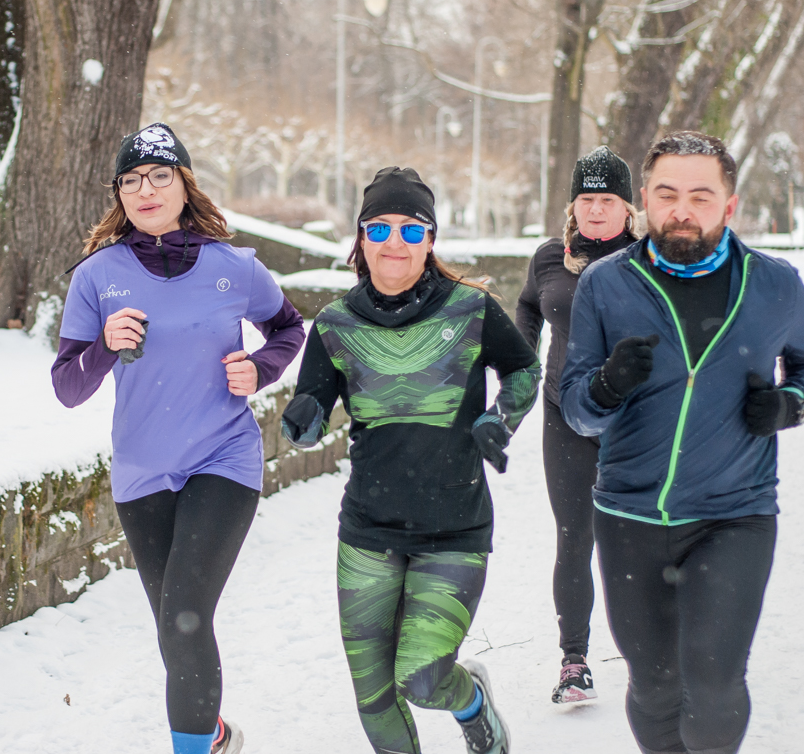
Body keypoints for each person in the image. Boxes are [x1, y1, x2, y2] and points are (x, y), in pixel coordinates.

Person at [51, 123, 305, 754]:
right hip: (143, 470)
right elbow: (67, 387)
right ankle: (214, 733)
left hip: (224, 457)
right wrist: (105, 348)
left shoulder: (235, 267)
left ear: (185, 186)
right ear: (120, 194)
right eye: (132, 180)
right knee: (173, 627)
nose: (146, 189)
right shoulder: (96, 276)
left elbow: (289, 329)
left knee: (187, 609)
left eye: (160, 176)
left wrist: (261, 368)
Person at [560, 131, 804, 754]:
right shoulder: (606, 285)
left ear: (730, 204)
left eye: (701, 195)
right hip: (627, 514)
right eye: (667, 194)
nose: (682, 209)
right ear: (644, 199)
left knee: (715, 683)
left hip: (736, 513)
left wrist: (787, 405)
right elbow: (578, 408)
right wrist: (609, 387)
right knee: (655, 684)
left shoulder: (778, 285)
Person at [282, 167, 540, 754]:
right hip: (368, 529)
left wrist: (500, 420)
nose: (393, 242)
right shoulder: (335, 324)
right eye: (379, 229)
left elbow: (524, 369)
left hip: (454, 528)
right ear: (360, 240)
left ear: (430, 239)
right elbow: (313, 405)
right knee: (374, 702)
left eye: (409, 228)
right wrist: (303, 418)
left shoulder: (471, 310)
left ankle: (472, 700)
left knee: (422, 679)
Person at [516, 146, 641, 704]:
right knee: (575, 538)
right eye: (586, 200)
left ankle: (656, 656)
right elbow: (526, 308)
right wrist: (518, 361)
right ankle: (574, 660)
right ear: (572, 205)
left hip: (637, 423)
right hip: (564, 415)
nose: (595, 211)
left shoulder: (652, 260)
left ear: (627, 207)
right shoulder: (548, 258)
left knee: (641, 541)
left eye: (607, 200)